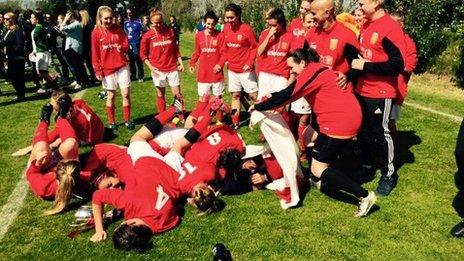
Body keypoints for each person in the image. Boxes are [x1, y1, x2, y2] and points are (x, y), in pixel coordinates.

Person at [252, 48, 377, 217]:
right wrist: (271, 96)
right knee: (307, 135)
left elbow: (289, 95)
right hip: (345, 116)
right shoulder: (318, 69)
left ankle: (364, 196)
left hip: (340, 123)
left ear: (303, 63)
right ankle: (318, 176)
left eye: (292, 67)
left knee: (318, 168)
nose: (291, 71)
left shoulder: (310, 72)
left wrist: (259, 106)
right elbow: (291, 92)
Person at [351, 0, 406, 196]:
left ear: (376, 2)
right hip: (361, 89)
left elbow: (398, 65)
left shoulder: (390, 27)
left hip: (381, 93)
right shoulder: (366, 24)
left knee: (381, 134)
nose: (358, 5)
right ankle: (366, 165)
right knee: (363, 131)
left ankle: (389, 175)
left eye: (361, 2)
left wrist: (365, 66)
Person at [26, 103, 83, 215]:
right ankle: (61, 118)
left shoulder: (44, 188)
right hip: (62, 168)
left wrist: (37, 164)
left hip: (40, 169)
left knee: (41, 147)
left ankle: (44, 120)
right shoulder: (73, 175)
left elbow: (30, 174)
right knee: (70, 144)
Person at [91, 6, 134, 131]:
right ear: (100, 18)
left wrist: (122, 47)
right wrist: (97, 70)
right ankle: (112, 122)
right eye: (106, 18)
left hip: (122, 66)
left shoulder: (118, 29)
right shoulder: (96, 33)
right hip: (107, 69)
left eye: (111, 18)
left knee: (125, 94)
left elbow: (126, 44)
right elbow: (94, 53)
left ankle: (127, 120)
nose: (109, 21)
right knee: (111, 96)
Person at [140, 9, 184, 114]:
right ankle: (162, 117)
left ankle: (180, 115)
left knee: (177, 94)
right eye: (156, 23)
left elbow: (175, 50)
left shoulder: (170, 32)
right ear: (151, 22)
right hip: (157, 69)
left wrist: (181, 63)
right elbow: (143, 54)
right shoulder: (147, 36)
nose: (159, 25)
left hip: (172, 67)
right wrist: (151, 67)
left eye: (160, 22)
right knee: (160, 94)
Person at [223, 3, 259, 129]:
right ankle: (235, 122)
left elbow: (254, 48)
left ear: (238, 16)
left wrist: (249, 63)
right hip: (232, 70)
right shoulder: (225, 28)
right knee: (235, 95)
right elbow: (225, 47)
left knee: (254, 96)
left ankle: (265, 119)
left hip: (246, 71)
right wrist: (226, 61)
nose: (229, 20)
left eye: (232, 17)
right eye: (227, 17)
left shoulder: (247, 29)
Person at [189, 11, 227, 124]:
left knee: (217, 100)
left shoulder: (220, 35)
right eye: (208, 24)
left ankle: (219, 122)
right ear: (204, 22)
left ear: (215, 23)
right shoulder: (199, 35)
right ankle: (203, 122)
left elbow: (225, 53)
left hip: (216, 74)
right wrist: (192, 63)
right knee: (203, 99)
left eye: (212, 24)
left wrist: (219, 65)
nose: (210, 26)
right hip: (203, 74)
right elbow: (197, 52)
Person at [389, 11, 418, 143]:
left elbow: (409, 66)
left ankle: (392, 151)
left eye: (391, 23)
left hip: (397, 92)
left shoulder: (408, 42)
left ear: (401, 25)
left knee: (391, 121)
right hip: (380, 89)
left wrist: (389, 65)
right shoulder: (386, 39)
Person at [256, 8, 294, 100]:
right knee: (262, 102)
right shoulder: (265, 34)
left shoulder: (289, 36)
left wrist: (291, 77)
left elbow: (292, 58)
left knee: (279, 104)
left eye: (274, 25)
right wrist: (268, 37)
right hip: (265, 74)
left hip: (281, 76)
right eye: (270, 25)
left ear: (281, 23)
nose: (272, 28)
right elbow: (259, 52)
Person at [30, 11, 59, 93]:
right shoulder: (40, 27)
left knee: (42, 72)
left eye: (32, 18)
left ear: (37, 19)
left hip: (41, 52)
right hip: (41, 51)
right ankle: (50, 85)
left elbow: (37, 40)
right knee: (42, 71)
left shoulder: (38, 28)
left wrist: (35, 50)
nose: (31, 19)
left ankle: (55, 86)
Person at [60, 10, 88, 90]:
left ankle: (80, 82)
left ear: (72, 16)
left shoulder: (76, 24)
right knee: (77, 65)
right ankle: (81, 81)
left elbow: (62, 28)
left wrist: (64, 19)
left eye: (68, 16)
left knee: (77, 66)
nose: (68, 18)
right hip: (72, 47)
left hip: (74, 47)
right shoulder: (75, 24)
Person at [1, 12, 26, 101]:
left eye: (7, 19)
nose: (5, 20)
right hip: (11, 57)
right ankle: (20, 94)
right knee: (12, 77)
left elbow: (20, 45)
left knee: (17, 77)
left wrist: (12, 51)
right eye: (4, 19)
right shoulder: (8, 30)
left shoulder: (17, 30)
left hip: (17, 58)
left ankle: (21, 95)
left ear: (13, 19)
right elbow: (3, 42)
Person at [124, 7, 144, 82]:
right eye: (127, 13)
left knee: (138, 59)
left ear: (132, 13)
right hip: (129, 44)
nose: (128, 14)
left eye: (130, 13)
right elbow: (125, 34)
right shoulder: (125, 23)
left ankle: (140, 76)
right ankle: (133, 76)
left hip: (137, 43)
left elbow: (142, 32)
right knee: (131, 61)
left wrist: (140, 40)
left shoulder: (138, 22)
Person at [79, 10, 98, 85]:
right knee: (89, 63)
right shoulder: (90, 24)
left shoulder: (85, 26)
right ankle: (93, 77)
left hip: (87, 46)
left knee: (89, 63)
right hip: (89, 45)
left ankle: (93, 78)